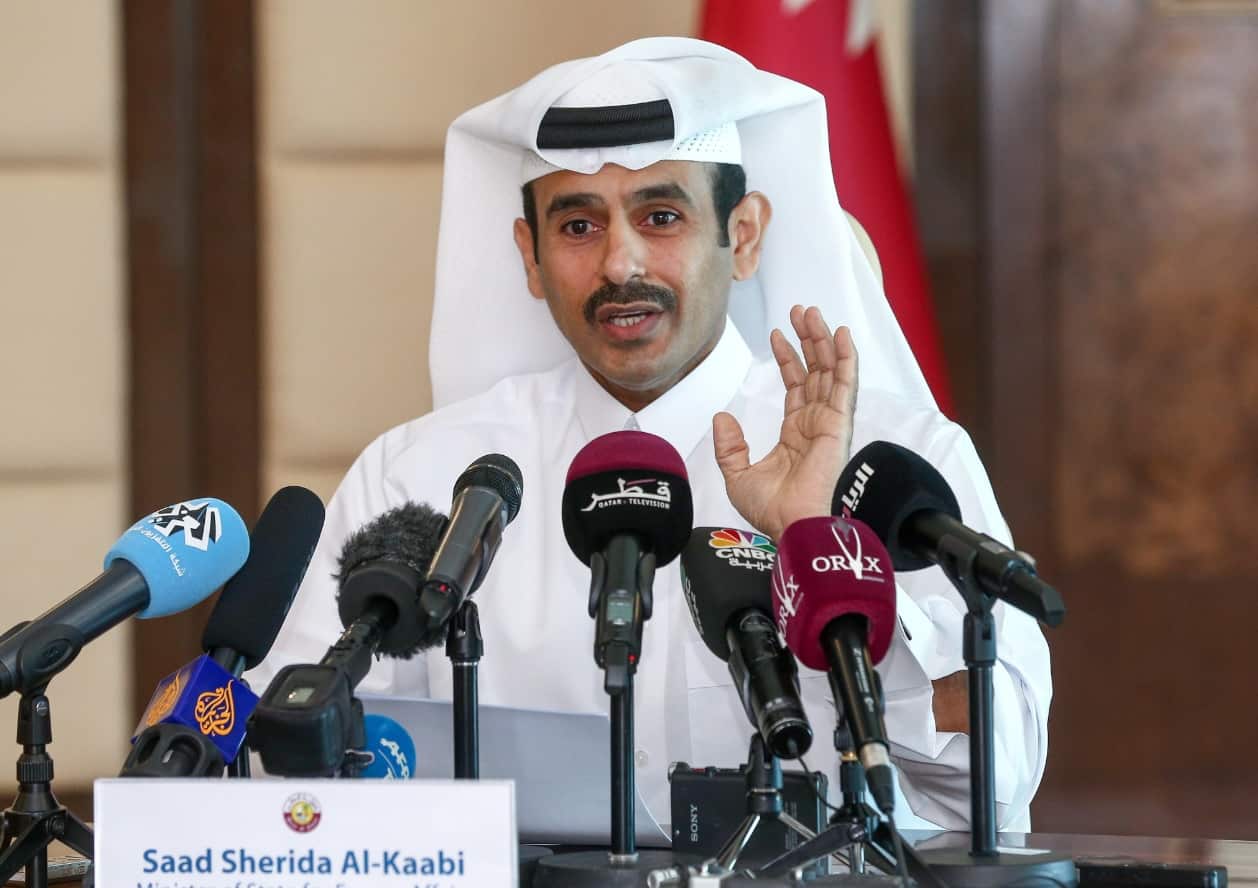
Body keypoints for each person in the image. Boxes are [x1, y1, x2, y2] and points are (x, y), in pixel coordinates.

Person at [250, 37, 1051, 834]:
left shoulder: (891, 470)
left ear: (743, 235)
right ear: (530, 257)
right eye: (577, 226)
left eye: (660, 217)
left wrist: (820, 546)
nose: (619, 264)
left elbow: (996, 780)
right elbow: (287, 772)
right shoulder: (423, 476)